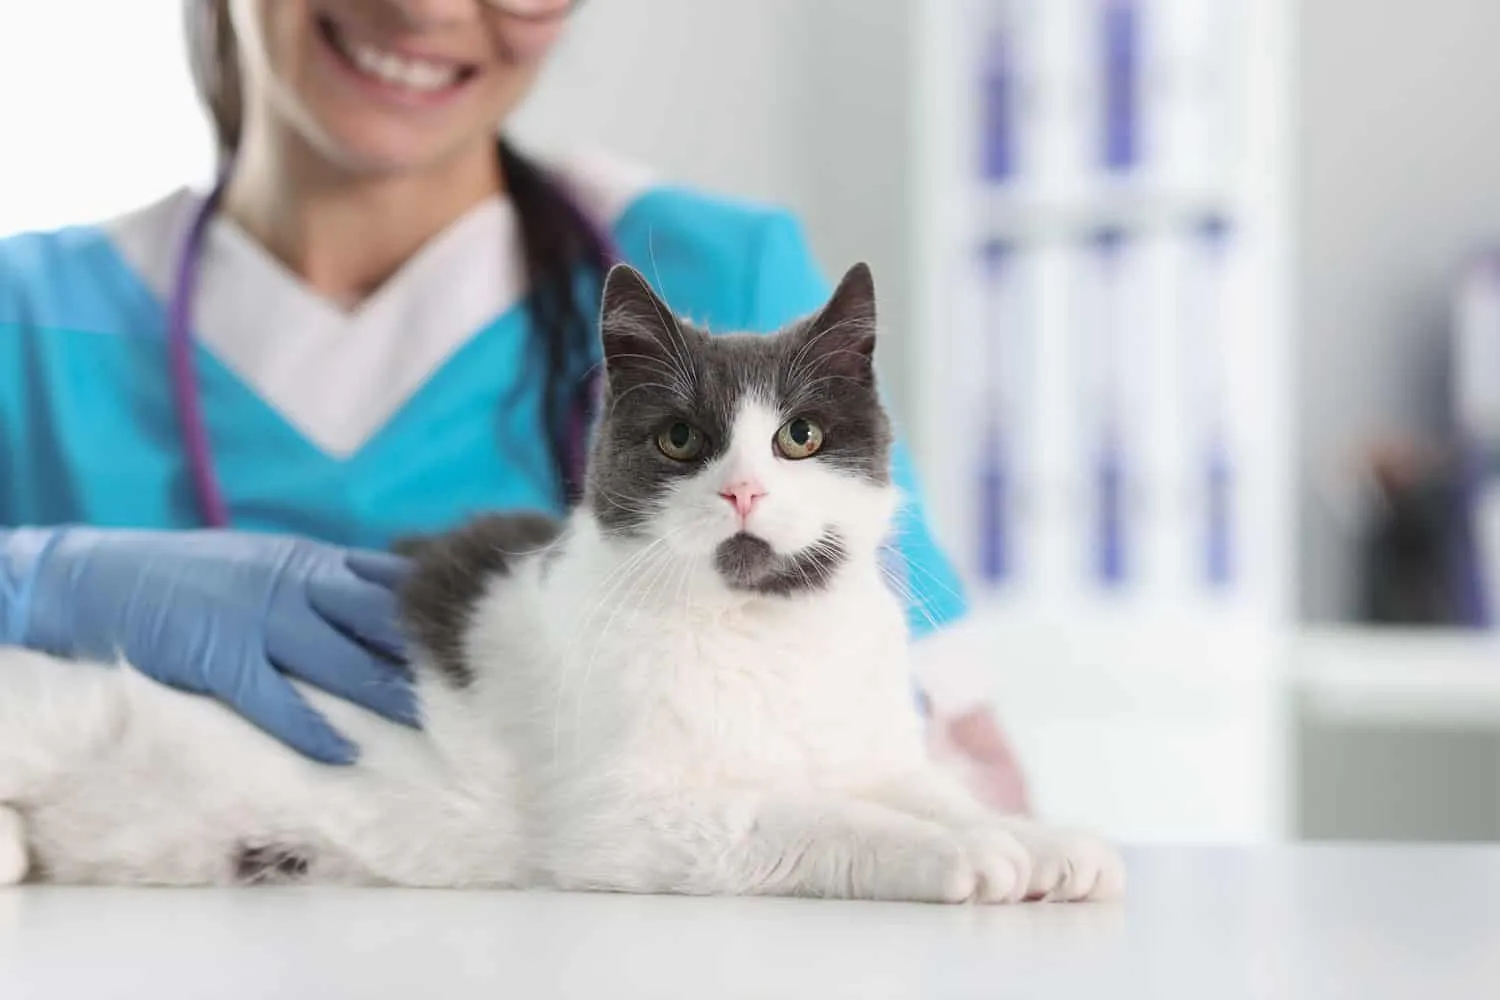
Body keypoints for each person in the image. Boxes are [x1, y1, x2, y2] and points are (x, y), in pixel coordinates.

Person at [1, 0, 1009, 793]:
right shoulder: (27, 313)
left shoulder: (729, 279)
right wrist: (37, 580)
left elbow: (964, 768)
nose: (427, 9)